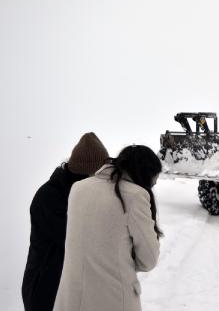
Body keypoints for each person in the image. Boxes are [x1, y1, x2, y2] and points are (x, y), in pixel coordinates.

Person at [53, 145, 162, 311]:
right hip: (112, 299)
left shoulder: (78, 188)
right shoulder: (135, 196)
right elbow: (148, 260)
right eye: (153, 180)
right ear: (145, 174)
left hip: (71, 299)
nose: (153, 184)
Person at [22, 132, 109, 311]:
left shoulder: (81, 193)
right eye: (99, 175)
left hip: (70, 288)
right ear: (85, 174)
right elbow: (79, 240)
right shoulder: (50, 198)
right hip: (46, 290)